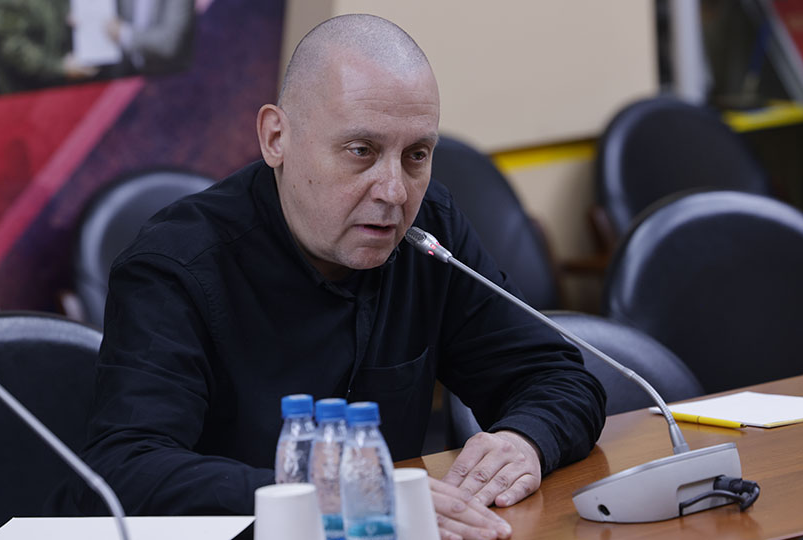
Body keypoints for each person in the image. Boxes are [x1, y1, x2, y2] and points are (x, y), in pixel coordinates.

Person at [64, 14, 605, 540]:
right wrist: (325, 500)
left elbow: (558, 378)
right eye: (361, 151)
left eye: (416, 155)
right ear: (276, 137)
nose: (393, 191)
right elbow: (125, 470)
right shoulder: (175, 263)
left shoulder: (428, 233)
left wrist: (524, 440)